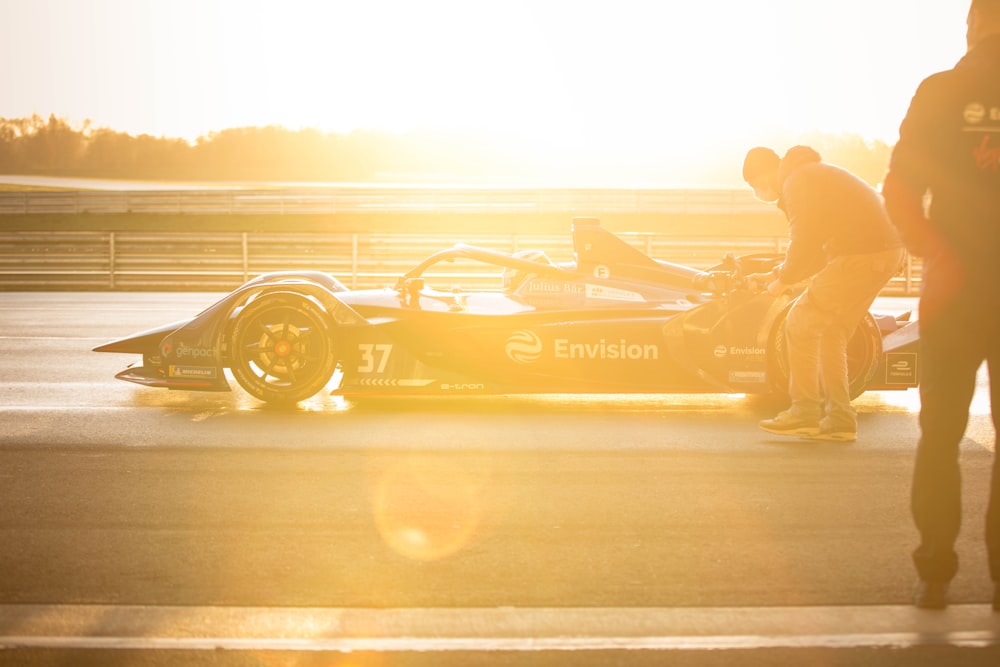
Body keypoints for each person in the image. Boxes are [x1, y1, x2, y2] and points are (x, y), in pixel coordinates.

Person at [882, 0, 1000, 611]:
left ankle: (934, 572)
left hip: (954, 291)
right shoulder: (943, 89)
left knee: (941, 434)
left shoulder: (942, 91)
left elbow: (899, 188)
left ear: (972, 26)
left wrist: (936, 253)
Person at [742, 146, 904, 442]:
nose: (758, 192)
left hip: (860, 254)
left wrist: (784, 281)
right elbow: (815, 255)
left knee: (799, 323)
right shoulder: (811, 175)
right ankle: (840, 420)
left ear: (767, 172)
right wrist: (776, 276)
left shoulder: (797, 180)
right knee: (832, 332)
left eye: (755, 184)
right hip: (883, 252)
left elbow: (804, 240)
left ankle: (805, 412)